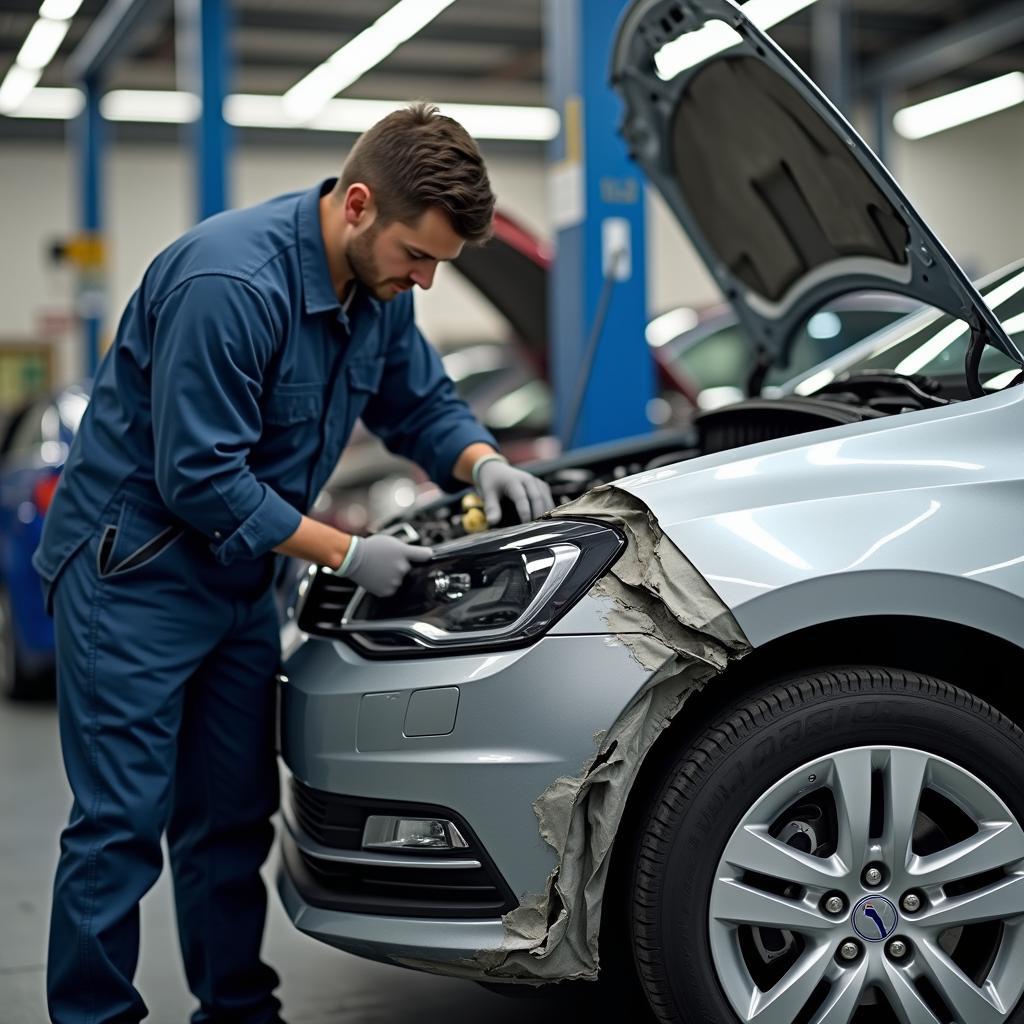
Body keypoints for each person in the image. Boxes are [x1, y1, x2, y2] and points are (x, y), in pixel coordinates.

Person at [34, 102, 554, 1024]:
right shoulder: (231, 283)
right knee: (121, 827)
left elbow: (422, 405)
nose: (426, 281)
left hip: (239, 584)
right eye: (417, 256)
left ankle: (235, 1010)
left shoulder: (378, 295)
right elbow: (198, 477)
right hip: (133, 576)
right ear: (358, 206)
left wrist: (484, 462)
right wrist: (350, 552)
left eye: (440, 263)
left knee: (232, 820)